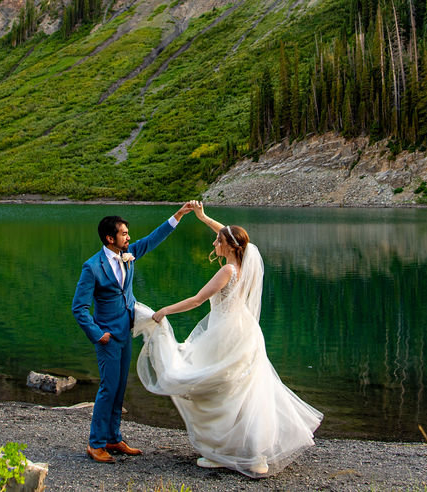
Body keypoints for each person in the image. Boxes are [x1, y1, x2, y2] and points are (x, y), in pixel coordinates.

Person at [133, 202, 323, 478]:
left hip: (225, 334)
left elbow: (198, 300)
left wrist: (164, 310)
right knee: (242, 390)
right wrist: (202, 217)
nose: (214, 242)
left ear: (229, 247)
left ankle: (226, 451)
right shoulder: (248, 263)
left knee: (220, 389)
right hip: (246, 333)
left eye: (218, 241)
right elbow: (229, 233)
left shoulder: (228, 271)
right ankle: (250, 452)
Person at [72, 203, 193, 464]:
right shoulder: (92, 267)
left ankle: (113, 438)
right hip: (107, 337)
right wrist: (97, 334)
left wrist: (179, 215)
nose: (129, 237)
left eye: (128, 233)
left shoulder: (129, 253)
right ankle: (95, 444)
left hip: (127, 331)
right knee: (107, 387)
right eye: (124, 234)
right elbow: (79, 308)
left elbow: (152, 240)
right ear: (110, 238)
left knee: (119, 388)